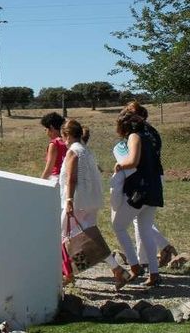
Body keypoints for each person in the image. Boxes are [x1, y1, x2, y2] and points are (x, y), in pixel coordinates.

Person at [59, 119, 128, 288]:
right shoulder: (87, 151)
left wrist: (69, 200)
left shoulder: (73, 152)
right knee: (91, 238)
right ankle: (117, 269)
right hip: (91, 200)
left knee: (62, 235)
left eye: (63, 137)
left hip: (78, 201)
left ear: (67, 135)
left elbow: (71, 178)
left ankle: (68, 273)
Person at [111, 111, 165, 287]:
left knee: (118, 226)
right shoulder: (150, 137)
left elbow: (133, 161)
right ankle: (154, 274)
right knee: (145, 230)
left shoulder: (134, 136)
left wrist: (119, 165)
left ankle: (134, 266)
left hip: (139, 190)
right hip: (154, 188)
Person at [122, 101, 177, 271]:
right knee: (142, 222)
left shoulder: (137, 133)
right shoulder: (153, 132)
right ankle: (146, 259)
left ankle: (147, 258)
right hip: (155, 176)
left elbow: (135, 159)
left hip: (144, 179)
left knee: (138, 220)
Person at [40, 112, 67, 181]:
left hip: (56, 178)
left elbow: (49, 170)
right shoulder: (68, 141)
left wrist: (40, 182)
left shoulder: (54, 144)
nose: (45, 131)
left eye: (46, 128)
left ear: (51, 127)